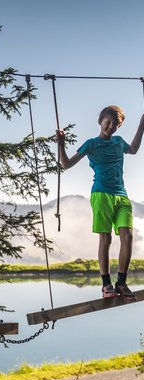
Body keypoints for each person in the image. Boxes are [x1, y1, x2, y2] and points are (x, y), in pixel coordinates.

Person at [56, 105, 144, 300]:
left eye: (115, 125)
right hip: (101, 194)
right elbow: (66, 164)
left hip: (121, 195)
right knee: (106, 239)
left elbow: (135, 149)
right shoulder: (91, 144)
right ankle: (106, 285)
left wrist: (142, 123)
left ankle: (121, 282)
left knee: (127, 237)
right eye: (108, 122)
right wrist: (61, 144)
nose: (110, 127)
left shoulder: (119, 142)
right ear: (101, 121)